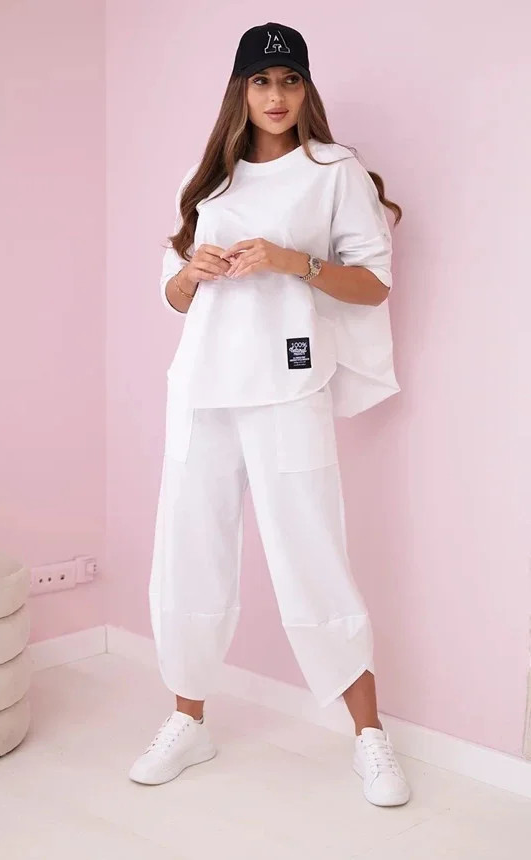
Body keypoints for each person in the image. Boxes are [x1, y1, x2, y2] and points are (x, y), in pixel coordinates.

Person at [129, 22, 410, 807]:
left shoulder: (333, 171)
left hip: (287, 386)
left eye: (289, 81)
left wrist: (293, 261)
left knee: (312, 552)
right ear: (240, 91)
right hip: (201, 388)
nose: (276, 96)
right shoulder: (206, 179)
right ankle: (188, 720)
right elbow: (173, 296)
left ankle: (368, 737)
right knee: (188, 553)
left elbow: (373, 285)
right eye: (261, 81)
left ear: (305, 89)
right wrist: (193, 271)